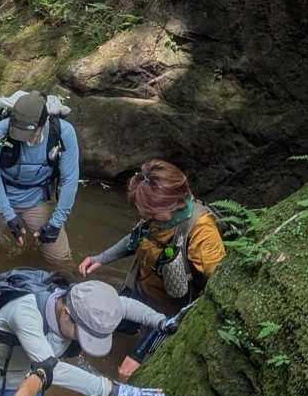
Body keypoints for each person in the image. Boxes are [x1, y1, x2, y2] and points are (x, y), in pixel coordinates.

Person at [0, 274, 171, 396]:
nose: (83, 341)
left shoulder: (84, 304)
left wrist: (162, 322)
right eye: (84, 335)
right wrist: (115, 390)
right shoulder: (25, 311)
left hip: (27, 383)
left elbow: (124, 305)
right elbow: (51, 368)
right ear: (67, 313)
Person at [79, 158, 225, 379]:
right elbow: (137, 237)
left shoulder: (202, 232)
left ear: (173, 204)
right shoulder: (157, 218)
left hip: (166, 313)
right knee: (100, 329)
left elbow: (217, 285)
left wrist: (141, 353)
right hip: (138, 290)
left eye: (150, 214)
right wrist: (102, 258)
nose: (145, 217)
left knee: (126, 372)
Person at [0, 91, 80, 265]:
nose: (23, 140)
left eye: (29, 134)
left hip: (37, 199)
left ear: (43, 123)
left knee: (60, 261)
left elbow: (69, 181)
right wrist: (9, 215)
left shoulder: (63, 133)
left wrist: (56, 223)